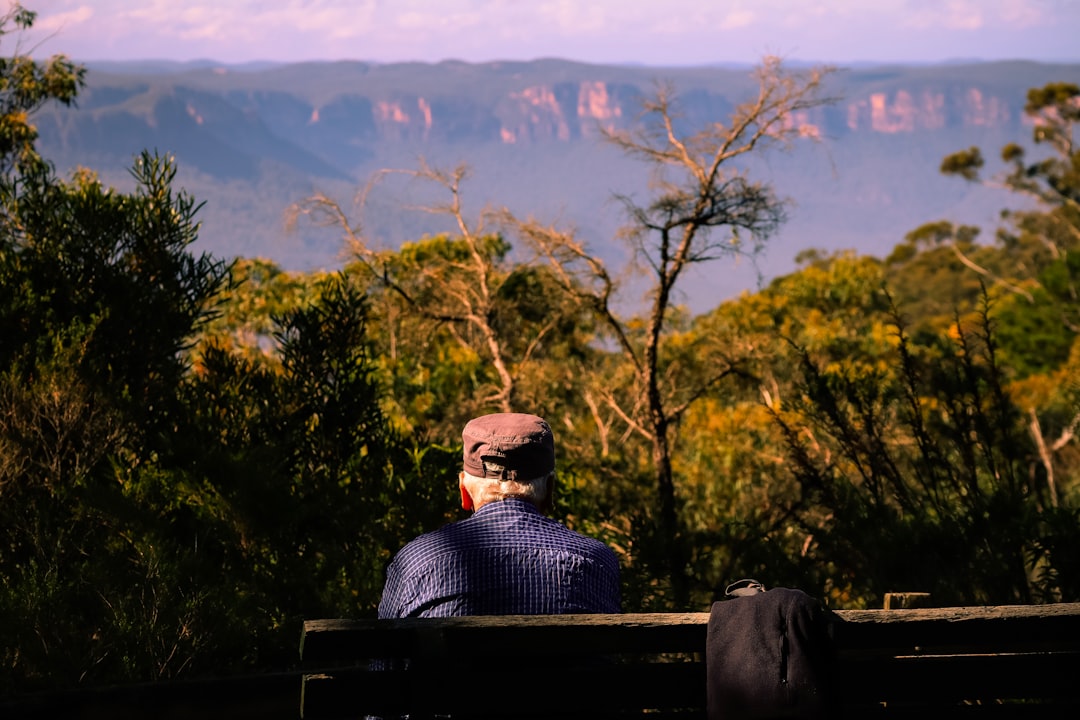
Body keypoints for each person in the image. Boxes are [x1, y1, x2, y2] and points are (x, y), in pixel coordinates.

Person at [378, 412, 621, 618]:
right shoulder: (598, 562)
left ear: (464, 491)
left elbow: (385, 667)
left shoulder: (415, 562)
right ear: (549, 490)